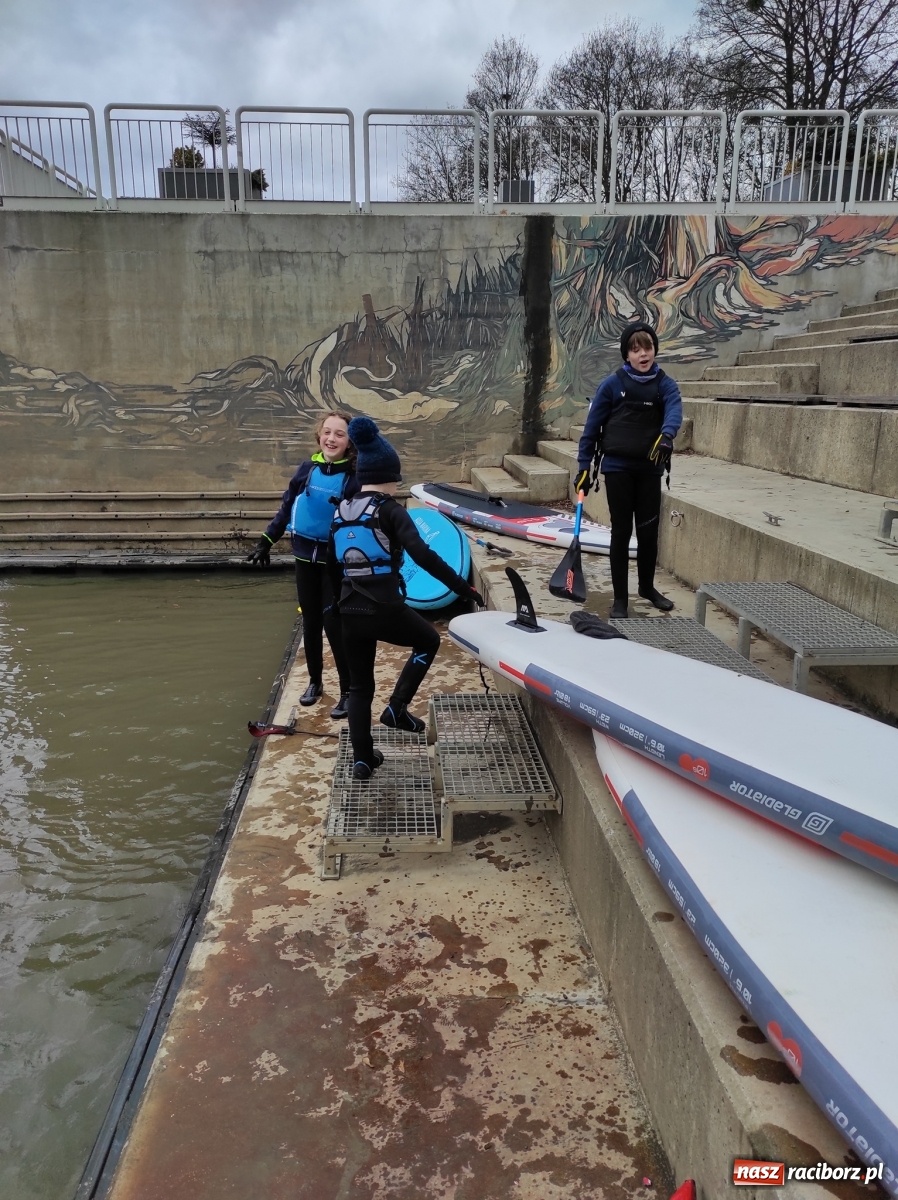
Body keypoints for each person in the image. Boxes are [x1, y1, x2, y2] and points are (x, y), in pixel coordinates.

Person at [329, 415, 484, 781]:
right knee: (428, 640)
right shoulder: (390, 510)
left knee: (358, 688)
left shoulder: (341, 510)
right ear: (389, 476)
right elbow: (425, 557)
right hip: (384, 607)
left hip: (348, 609)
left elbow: (335, 565)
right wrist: (465, 589)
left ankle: (362, 760)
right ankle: (397, 708)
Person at [246, 410, 357, 718]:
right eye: (327, 432)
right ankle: (315, 682)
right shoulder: (307, 469)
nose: (331, 439)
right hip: (303, 557)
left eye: (340, 434)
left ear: (349, 443)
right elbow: (287, 507)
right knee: (310, 621)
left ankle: (348, 690)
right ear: (319, 435)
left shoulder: (354, 477)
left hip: (334, 562)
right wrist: (266, 541)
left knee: (334, 624)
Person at [575, 321, 682, 620]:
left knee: (648, 533)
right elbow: (591, 430)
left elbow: (674, 408)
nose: (642, 354)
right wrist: (583, 467)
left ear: (655, 350)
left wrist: (668, 434)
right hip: (618, 470)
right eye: (635, 350)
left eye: (647, 347)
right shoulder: (612, 385)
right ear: (626, 355)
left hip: (649, 470)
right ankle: (620, 598)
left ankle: (646, 588)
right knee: (621, 533)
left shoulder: (664, 384)